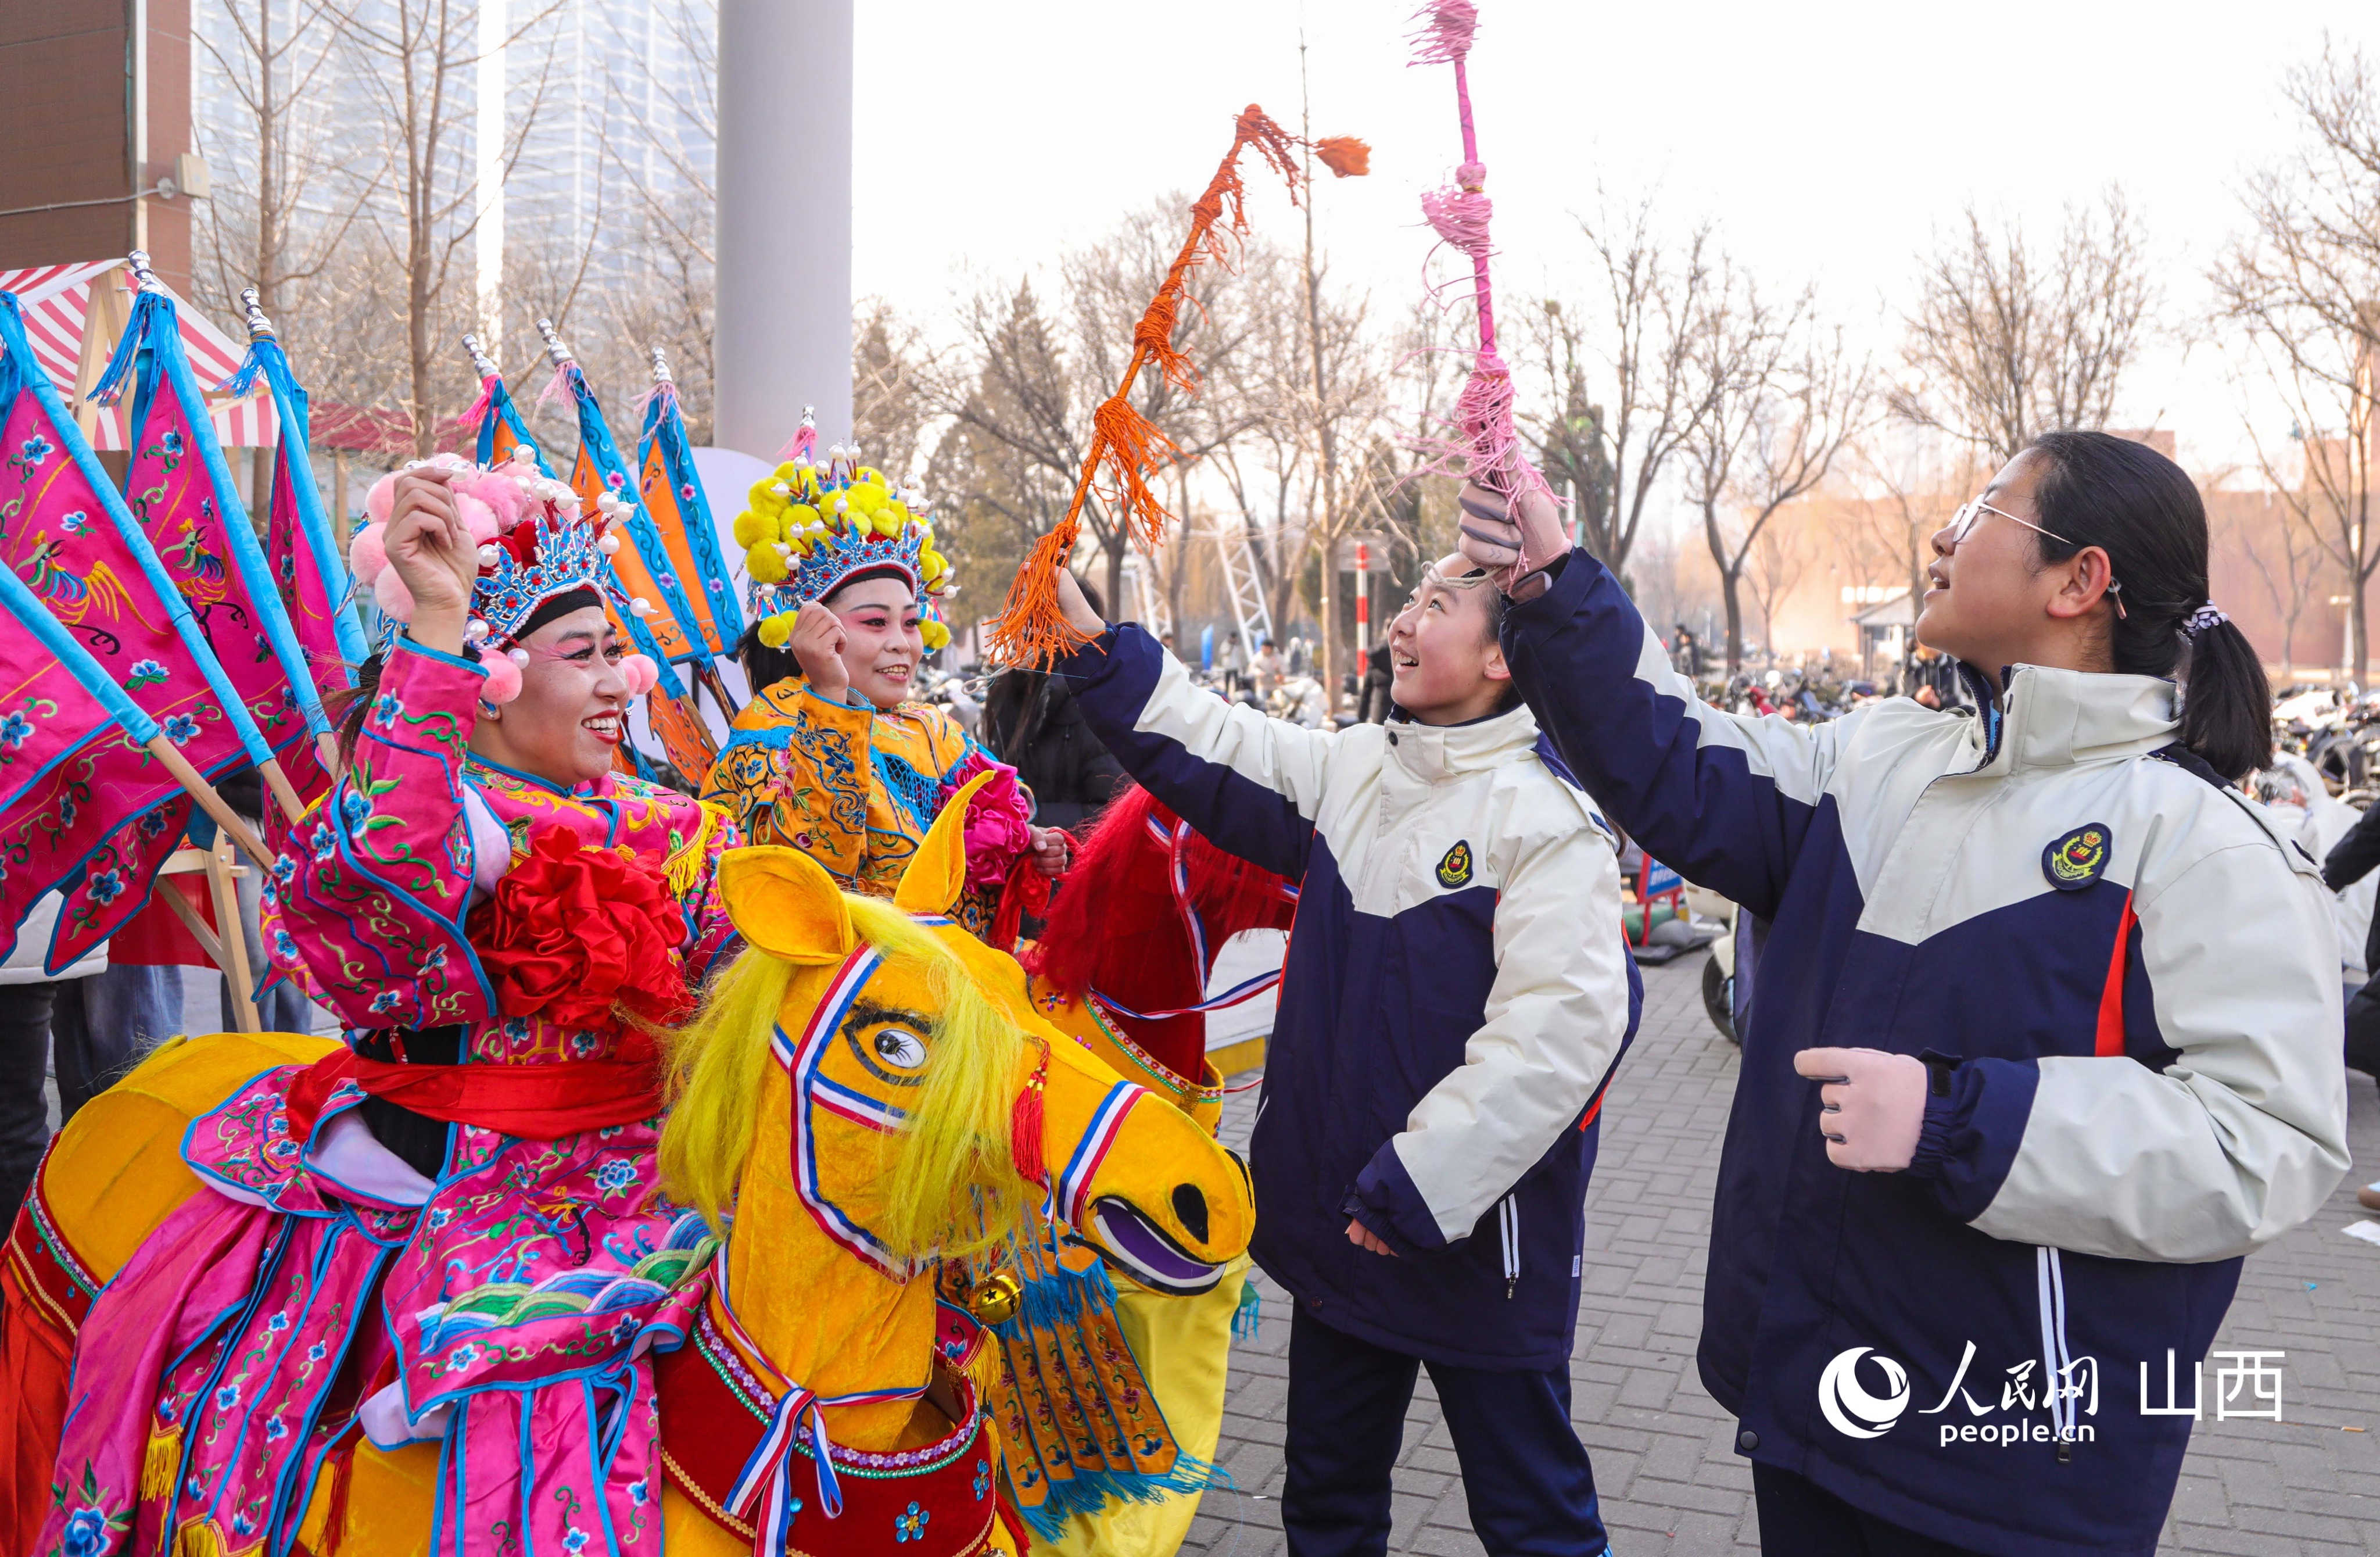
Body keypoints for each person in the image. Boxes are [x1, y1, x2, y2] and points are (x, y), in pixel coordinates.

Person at [1457, 432, 2347, 1556]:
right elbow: (1674, 759)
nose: (1943, 533)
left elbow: (2269, 1140)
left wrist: (1957, 1121)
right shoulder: (1878, 756)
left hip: (2017, 1463)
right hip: (1811, 1400)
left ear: (2081, 582)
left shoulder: (2200, 839)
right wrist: (1550, 582)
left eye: (1985, 510)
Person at [40, 453, 742, 1555]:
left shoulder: (686, 821)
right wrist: (437, 630)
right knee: (524, 1384)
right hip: (473, 1167)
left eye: (621, 652)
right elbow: (376, 869)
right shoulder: (450, 816)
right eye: (584, 655)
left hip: (654, 1157)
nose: (624, 682)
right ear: (494, 678)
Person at [1042, 556, 1636, 1557]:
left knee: (1535, 1517)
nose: (1401, 625)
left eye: (1435, 609)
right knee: (1324, 1500)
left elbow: (1562, 1030)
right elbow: (1212, 741)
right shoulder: (1355, 766)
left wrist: (1414, 1185)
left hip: (1473, 1247)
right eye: (1405, 603)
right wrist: (1095, 645)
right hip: (1341, 1233)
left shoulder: (1545, 821)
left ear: (1501, 653)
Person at [702, 446, 1065, 936]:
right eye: (875, 622)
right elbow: (808, 880)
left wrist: (1030, 846)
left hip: (969, 981)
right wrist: (831, 697)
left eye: (912, 622)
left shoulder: (932, 726)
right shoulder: (772, 725)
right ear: (811, 628)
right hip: (857, 999)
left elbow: (985, 834)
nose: (902, 642)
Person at [981, 581, 1126, 832]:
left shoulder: (1095, 703)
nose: (1020, 627)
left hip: (1073, 864)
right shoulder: (1007, 689)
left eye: (1036, 616)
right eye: (1018, 612)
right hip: (1021, 860)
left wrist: (1028, 817)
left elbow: (1111, 814)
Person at [1356, 640, 1393, 724]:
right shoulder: (1401, 654)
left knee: (1379, 735)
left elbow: (1366, 691)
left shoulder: (1375, 658)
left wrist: (1361, 717)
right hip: (1399, 710)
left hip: (1379, 708)